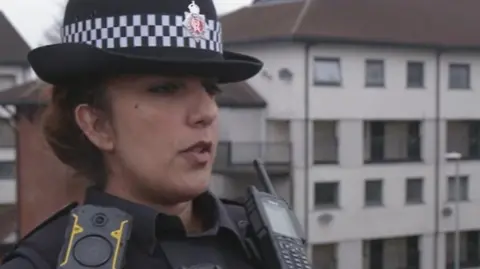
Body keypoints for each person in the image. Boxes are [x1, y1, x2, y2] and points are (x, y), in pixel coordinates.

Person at [0, 0, 263, 268]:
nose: (206, 112)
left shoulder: (268, 247)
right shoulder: (44, 263)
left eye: (210, 89)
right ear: (97, 125)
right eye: (165, 89)